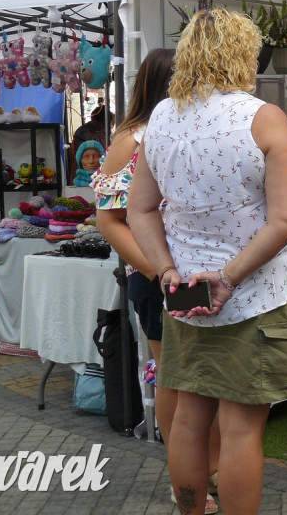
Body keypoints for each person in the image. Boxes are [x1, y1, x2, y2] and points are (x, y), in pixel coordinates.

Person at [127, 9, 287, 515]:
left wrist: (167, 271)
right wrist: (228, 278)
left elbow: (139, 209)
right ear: (243, 56)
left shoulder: (162, 116)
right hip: (252, 297)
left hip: (185, 295)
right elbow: (284, 221)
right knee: (240, 429)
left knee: (188, 419)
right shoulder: (263, 118)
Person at [91, 49, 220, 515]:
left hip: (196, 272)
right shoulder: (131, 139)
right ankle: (184, 478)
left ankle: (212, 468)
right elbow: (108, 220)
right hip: (156, 276)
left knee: (204, 377)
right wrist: (154, 269)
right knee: (175, 377)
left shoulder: (186, 129)